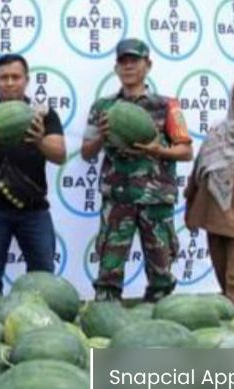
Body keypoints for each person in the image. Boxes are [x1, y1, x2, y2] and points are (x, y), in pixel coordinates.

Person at [81, 37, 193, 301]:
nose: (128, 66)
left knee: (161, 271)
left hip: (155, 199)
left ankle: (162, 321)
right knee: (108, 269)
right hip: (118, 198)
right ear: (116, 68)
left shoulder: (167, 106)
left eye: (135, 60)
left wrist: (158, 151)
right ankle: (105, 319)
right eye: (123, 61)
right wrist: (101, 136)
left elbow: (186, 151)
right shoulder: (102, 108)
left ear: (148, 65)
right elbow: (87, 152)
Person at [0, 53, 65, 292]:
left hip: (34, 209)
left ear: (26, 80)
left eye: (15, 77)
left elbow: (60, 155)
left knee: (43, 275)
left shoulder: (44, 115)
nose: (10, 82)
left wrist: (40, 140)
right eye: (4, 77)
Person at [185, 76, 234, 307]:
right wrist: (190, 207)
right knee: (225, 278)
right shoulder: (218, 134)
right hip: (215, 220)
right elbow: (199, 172)